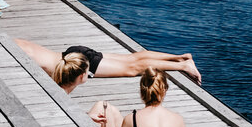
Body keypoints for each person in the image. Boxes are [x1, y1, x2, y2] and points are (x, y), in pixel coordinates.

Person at [16, 36, 202, 86]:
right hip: (73, 53)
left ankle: (182, 65)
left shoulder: (20, 54)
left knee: (132, 68)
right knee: (132, 58)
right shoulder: (17, 43)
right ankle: (180, 56)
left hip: (77, 62)